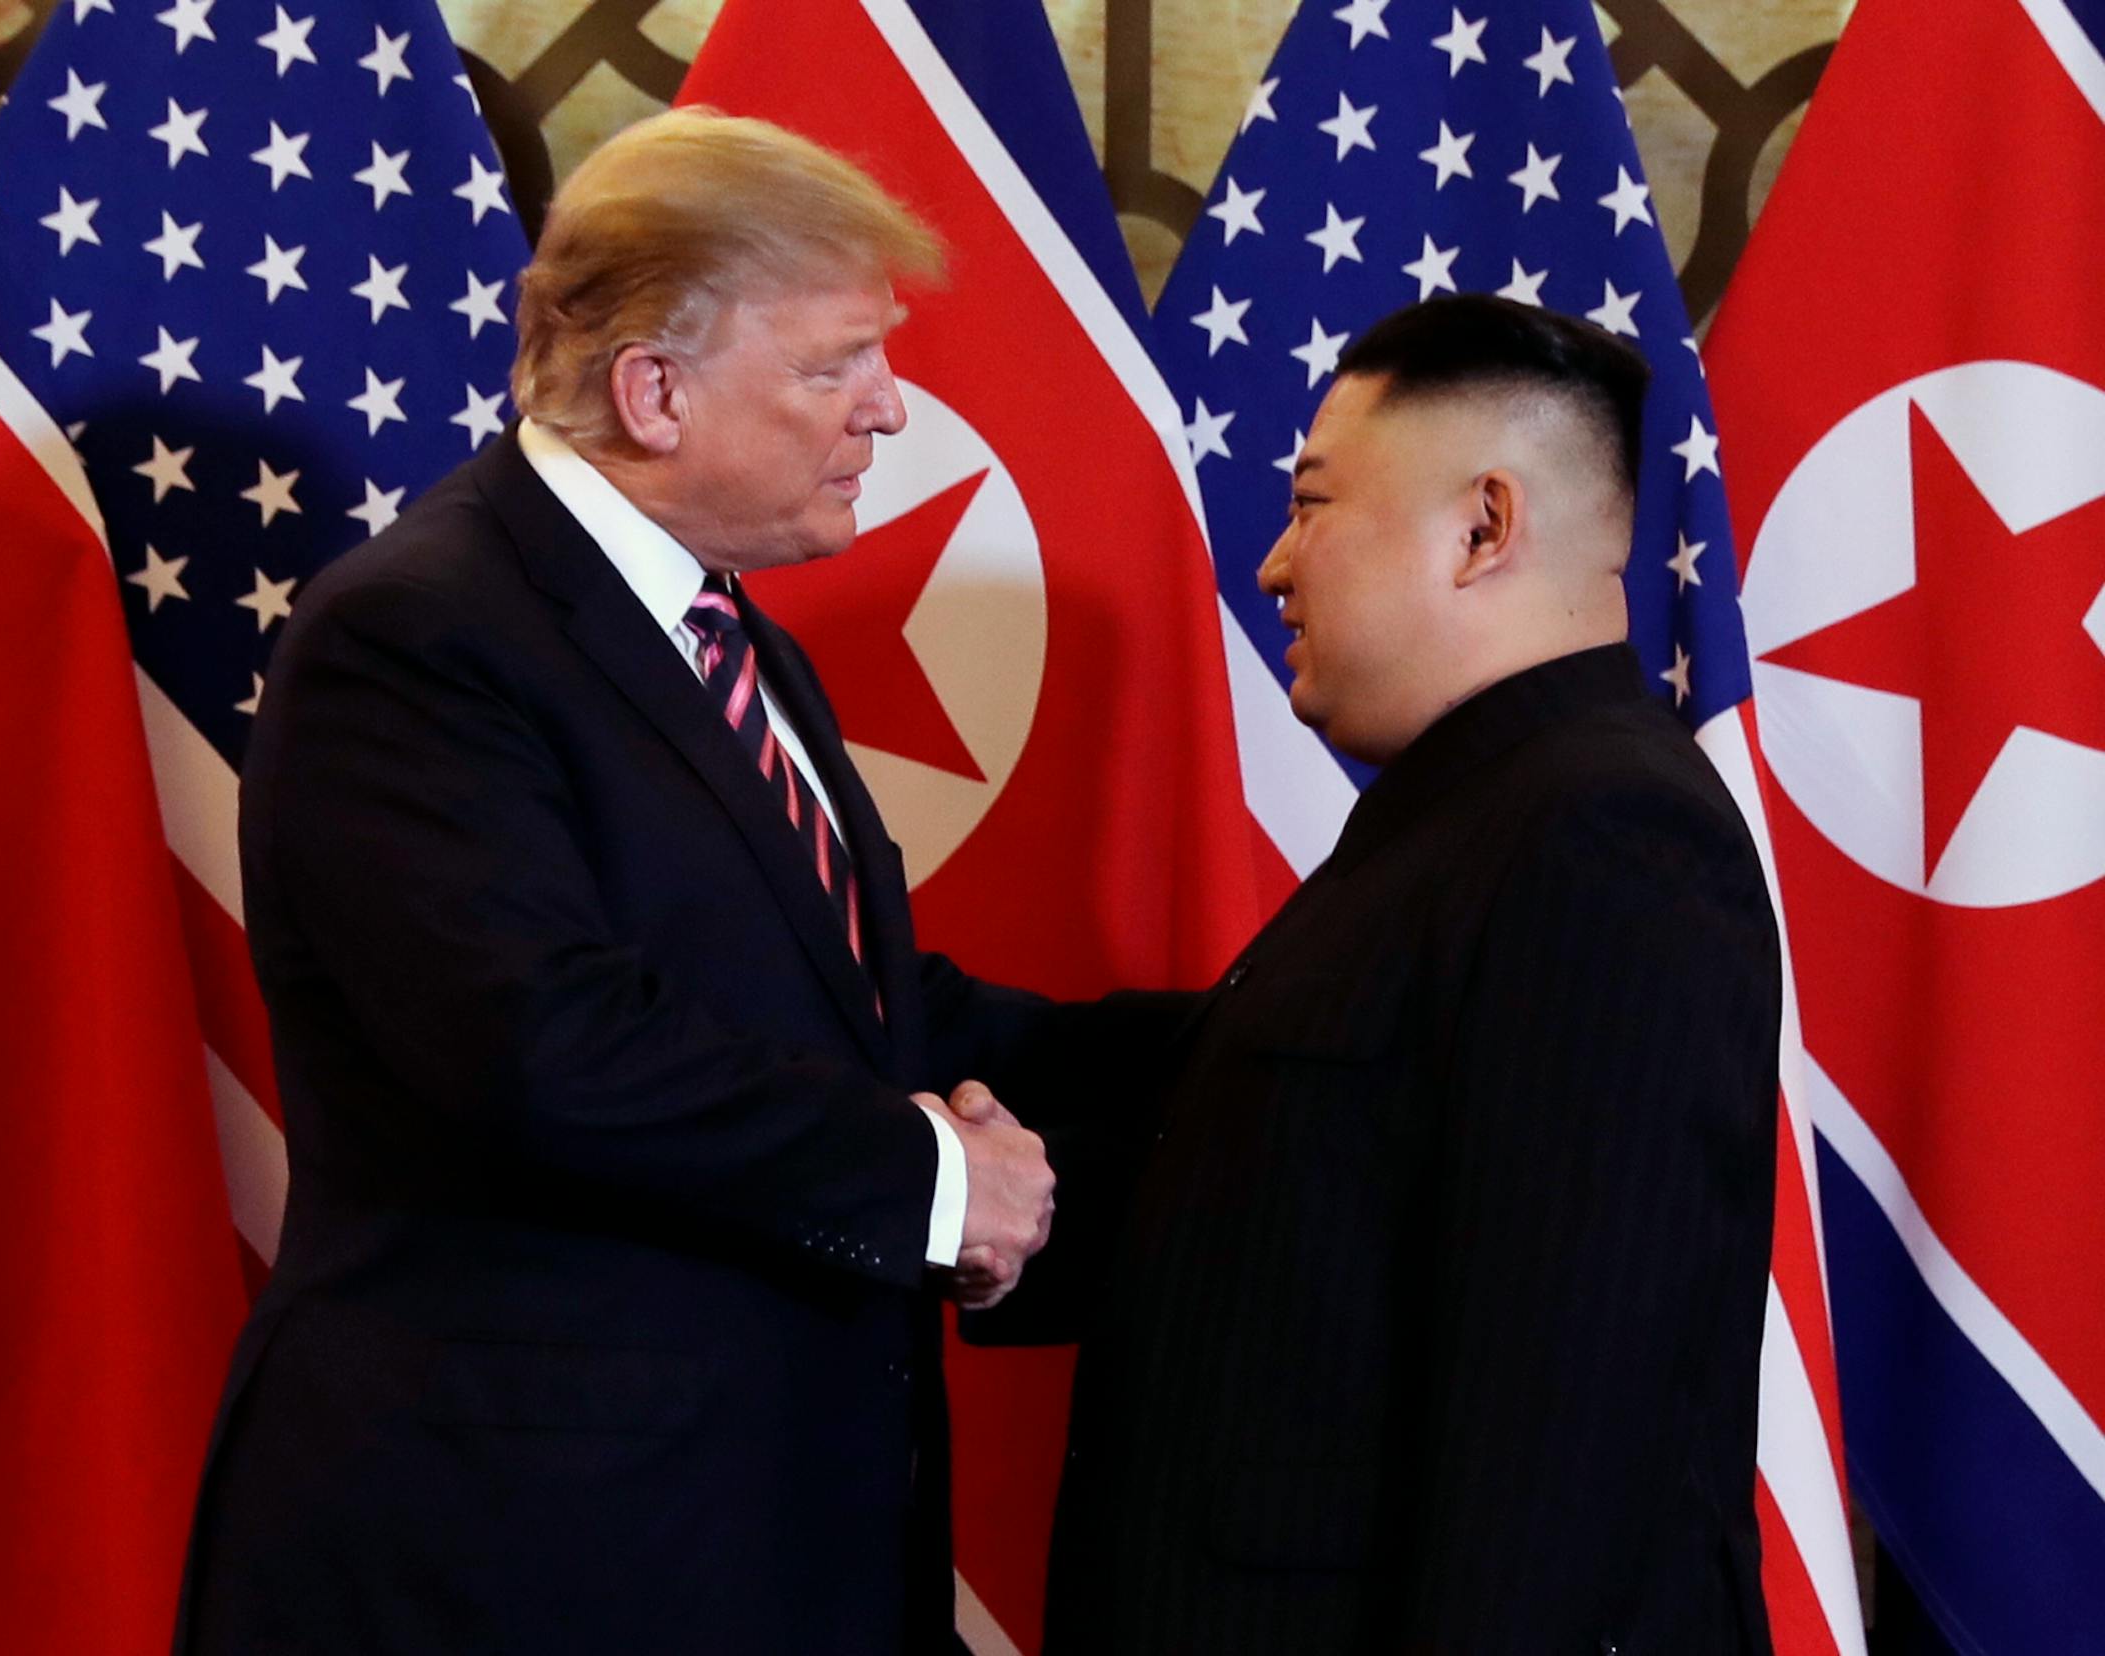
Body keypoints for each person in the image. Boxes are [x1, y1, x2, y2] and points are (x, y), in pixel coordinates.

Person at [173, 109, 1069, 1655]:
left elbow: (847, 1011)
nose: (889, 411)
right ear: (654, 390)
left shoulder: (724, 634)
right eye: (834, 364)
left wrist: (1237, 1045)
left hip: (746, 1540)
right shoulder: (419, 635)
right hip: (514, 1563)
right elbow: (542, 1047)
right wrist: (927, 1181)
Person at [1005, 295, 1782, 1654]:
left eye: (1311, 506)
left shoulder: (1601, 834)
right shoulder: (1479, 812)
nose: (1274, 568)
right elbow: (1293, 1201)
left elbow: (1566, 1428)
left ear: (1484, 526)